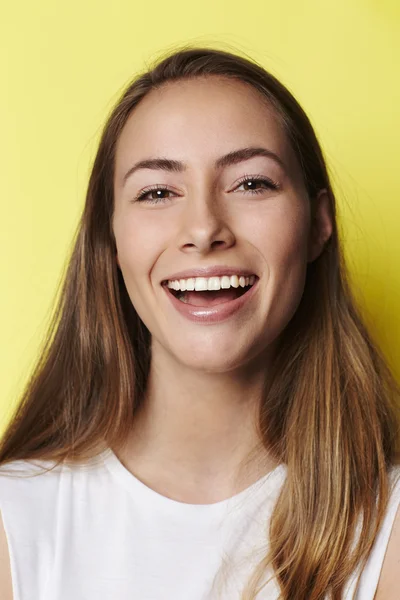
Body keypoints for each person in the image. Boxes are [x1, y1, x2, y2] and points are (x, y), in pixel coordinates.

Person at [0, 45, 399, 600]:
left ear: (317, 225)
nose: (205, 228)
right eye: (158, 192)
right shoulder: (12, 521)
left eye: (252, 184)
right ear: (110, 241)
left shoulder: (388, 523)